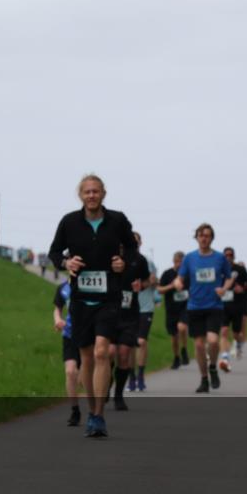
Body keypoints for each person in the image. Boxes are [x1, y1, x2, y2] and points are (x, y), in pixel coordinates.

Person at [48, 174, 137, 438]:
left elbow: (132, 249)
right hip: (80, 300)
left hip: (109, 297)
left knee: (101, 353)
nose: (91, 196)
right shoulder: (69, 222)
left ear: (103, 194)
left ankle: (98, 415)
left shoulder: (118, 220)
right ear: (80, 195)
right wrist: (66, 263)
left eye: (95, 191)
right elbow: (53, 253)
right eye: (87, 192)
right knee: (86, 358)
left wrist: (124, 262)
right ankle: (92, 409)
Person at [175, 223, 234, 393]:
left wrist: (224, 288)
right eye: (201, 235)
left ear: (211, 238)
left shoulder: (219, 258)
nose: (204, 238)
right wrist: (178, 283)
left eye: (207, 235)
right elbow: (181, 277)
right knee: (200, 345)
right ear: (197, 238)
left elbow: (229, 278)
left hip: (214, 305)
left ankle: (213, 367)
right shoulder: (189, 258)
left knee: (214, 341)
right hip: (195, 306)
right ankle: (204, 378)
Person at [114, 240, 150, 409]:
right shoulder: (107, 254)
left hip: (129, 314)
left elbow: (147, 280)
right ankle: (105, 383)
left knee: (123, 353)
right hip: (108, 313)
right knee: (107, 354)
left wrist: (141, 285)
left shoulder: (139, 260)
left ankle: (119, 395)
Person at [128, 232, 156, 392]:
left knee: (141, 342)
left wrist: (149, 281)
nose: (134, 244)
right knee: (129, 345)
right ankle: (130, 377)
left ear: (141, 243)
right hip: (128, 307)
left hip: (145, 307)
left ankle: (141, 375)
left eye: (137, 242)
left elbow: (154, 280)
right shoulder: (122, 261)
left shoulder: (147, 261)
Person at [218, 248, 247, 368]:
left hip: (237, 306)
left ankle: (239, 344)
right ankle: (225, 358)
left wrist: (243, 289)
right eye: (226, 255)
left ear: (234, 256)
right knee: (223, 331)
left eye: (230, 255)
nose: (228, 257)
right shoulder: (219, 269)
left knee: (236, 333)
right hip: (223, 306)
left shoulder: (240, 269)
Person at [54, 279, 82, 426]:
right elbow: (58, 308)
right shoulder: (63, 287)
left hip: (88, 334)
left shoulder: (90, 283)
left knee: (85, 377)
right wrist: (58, 319)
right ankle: (75, 410)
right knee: (71, 372)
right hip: (69, 334)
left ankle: (95, 411)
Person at [158, 251, 190, 369]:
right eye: (177, 262)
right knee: (174, 336)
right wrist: (171, 286)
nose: (179, 264)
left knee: (182, 327)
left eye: (181, 262)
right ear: (174, 261)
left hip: (185, 307)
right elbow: (159, 290)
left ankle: (184, 349)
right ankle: (176, 357)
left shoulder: (188, 275)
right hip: (171, 309)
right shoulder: (167, 274)